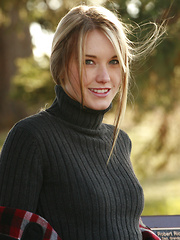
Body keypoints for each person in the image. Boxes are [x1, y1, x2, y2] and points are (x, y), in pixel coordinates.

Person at [0, 5, 164, 240]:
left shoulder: (119, 141)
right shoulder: (31, 137)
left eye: (114, 61)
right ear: (61, 65)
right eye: (89, 61)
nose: (104, 76)